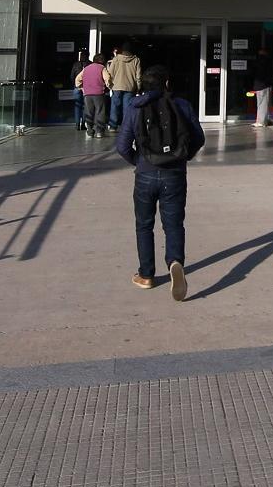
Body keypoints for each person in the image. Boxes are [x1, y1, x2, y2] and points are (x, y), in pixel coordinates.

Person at [116, 66, 205, 300]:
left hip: (145, 174)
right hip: (174, 174)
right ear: (166, 84)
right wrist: (183, 157)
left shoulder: (134, 107)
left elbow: (122, 146)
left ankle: (146, 275)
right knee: (174, 224)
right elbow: (199, 137)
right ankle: (175, 262)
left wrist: (139, 161)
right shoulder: (182, 105)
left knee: (144, 224)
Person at [105, 43, 143, 131]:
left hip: (116, 86)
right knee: (127, 108)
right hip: (130, 87)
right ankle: (126, 126)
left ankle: (113, 126)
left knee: (114, 106)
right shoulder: (136, 60)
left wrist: (109, 85)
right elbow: (138, 76)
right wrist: (138, 87)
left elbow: (111, 73)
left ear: (122, 50)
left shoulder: (116, 59)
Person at [76, 52, 109, 136]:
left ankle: (90, 130)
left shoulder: (86, 68)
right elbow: (107, 79)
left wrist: (81, 87)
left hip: (87, 94)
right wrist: (109, 87)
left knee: (89, 112)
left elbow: (78, 79)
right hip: (99, 93)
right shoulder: (102, 68)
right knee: (100, 111)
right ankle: (99, 131)